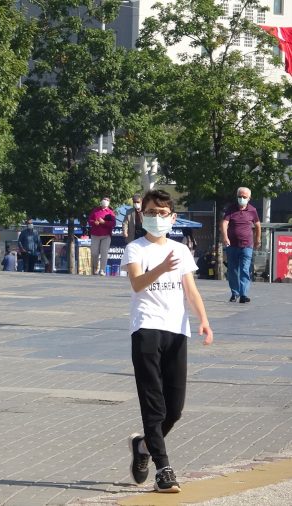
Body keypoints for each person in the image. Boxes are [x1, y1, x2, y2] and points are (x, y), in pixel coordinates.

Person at [120, 189, 213, 494]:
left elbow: (191, 290)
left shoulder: (181, 250)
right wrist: (159, 268)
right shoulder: (136, 248)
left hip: (177, 329)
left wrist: (204, 320)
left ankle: (143, 446)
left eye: (162, 213)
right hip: (146, 328)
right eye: (151, 212)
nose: (157, 218)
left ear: (172, 217)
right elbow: (136, 283)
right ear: (142, 215)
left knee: (174, 409)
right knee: (154, 406)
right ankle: (164, 470)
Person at [222, 186, 261, 303]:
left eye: (244, 197)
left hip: (247, 245)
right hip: (232, 245)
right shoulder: (231, 209)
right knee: (232, 270)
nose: (242, 198)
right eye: (240, 196)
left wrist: (257, 239)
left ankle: (243, 294)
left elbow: (258, 225)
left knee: (244, 269)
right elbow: (224, 223)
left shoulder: (253, 210)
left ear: (249, 198)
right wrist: (225, 237)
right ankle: (235, 293)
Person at [88, 196, 116, 276]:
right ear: (101, 201)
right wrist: (94, 223)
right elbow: (89, 220)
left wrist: (104, 222)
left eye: (107, 200)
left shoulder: (110, 212)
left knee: (104, 253)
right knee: (94, 253)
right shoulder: (95, 210)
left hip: (106, 236)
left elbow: (113, 224)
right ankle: (95, 269)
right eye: (104, 199)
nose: (105, 201)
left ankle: (102, 270)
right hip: (95, 235)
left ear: (109, 203)